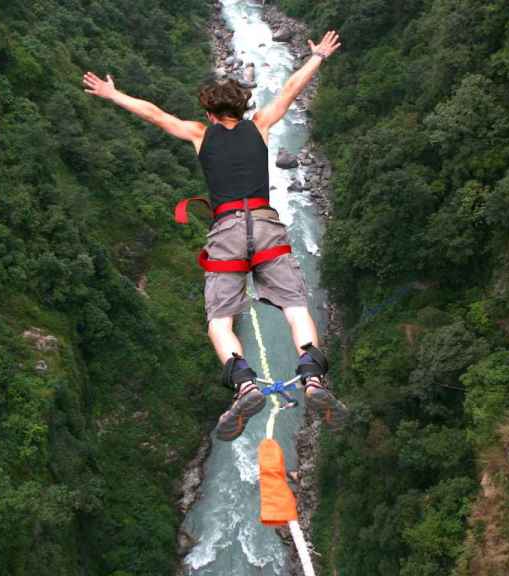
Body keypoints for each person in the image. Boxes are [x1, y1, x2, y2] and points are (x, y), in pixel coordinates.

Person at [83, 31, 348, 441]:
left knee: (220, 322)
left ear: (208, 112)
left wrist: (112, 94)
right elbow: (291, 89)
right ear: (243, 108)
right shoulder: (259, 126)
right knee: (295, 306)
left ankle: (244, 384)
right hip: (265, 228)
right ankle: (312, 378)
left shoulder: (198, 134)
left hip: (226, 233)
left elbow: (153, 113)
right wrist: (316, 57)